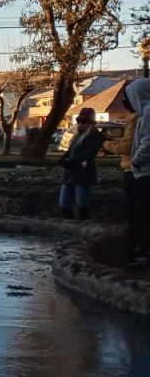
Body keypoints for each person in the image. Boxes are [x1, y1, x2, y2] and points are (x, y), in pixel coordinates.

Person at [109, 86, 141, 262]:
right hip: (135, 168)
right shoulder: (137, 116)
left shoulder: (136, 117)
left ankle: (136, 250)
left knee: (134, 213)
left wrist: (107, 145)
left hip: (135, 169)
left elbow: (128, 146)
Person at [57, 107, 104, 219]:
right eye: (79, 121)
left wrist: (71, 161)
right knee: (63, 203)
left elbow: (89, 154)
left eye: (84, 122)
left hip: (83, 173)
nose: (81, 124)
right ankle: (70, 225)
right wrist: (63, 158)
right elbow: (71, 150)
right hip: (70, 172)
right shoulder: (78, 135)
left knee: (82, 202)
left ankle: (83, 226)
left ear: (91, 123)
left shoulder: (94, 135)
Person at [125, 78, 150, 269]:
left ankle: (145, 253)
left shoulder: (148, 113)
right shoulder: (143, 114)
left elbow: (147, 144)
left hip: (145, 173)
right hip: (141, 171)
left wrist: (136, 161)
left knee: (144, 215)